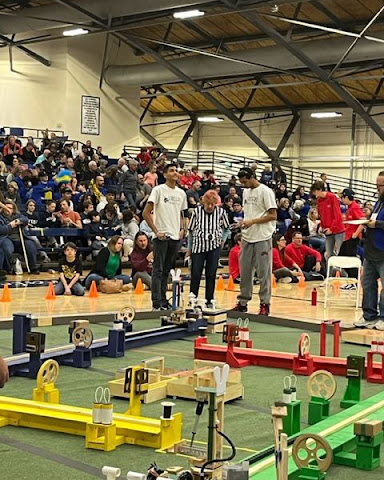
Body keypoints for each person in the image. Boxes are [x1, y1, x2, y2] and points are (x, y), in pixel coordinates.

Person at [143, 163, 187, 310]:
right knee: (158, 270)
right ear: (165, 174)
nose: (175, 173)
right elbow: (146, 212)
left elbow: (183, 214)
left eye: (177, 170)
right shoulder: (158, 190)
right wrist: (156, 231)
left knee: (167, 271)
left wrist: (183, 229)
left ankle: (164, 302)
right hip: (161, 236)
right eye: (172, 170)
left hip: (175, 237)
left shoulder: (181, 193)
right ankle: (156, 302)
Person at [233, 167, 277, 315]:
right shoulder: (245, 192)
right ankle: (243, 301)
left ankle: (265, 303)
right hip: (247, 236)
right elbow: (250, 213)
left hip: (262, 236)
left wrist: (253, 221)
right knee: (245, 271)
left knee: (263, 272)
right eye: (241, 182)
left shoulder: (266, 191)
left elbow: (273, 215)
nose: (243, 185)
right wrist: (244, 222)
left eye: (245, 181)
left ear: (253, 177)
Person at [187, 190, 230, 306]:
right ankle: (193, 299)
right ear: (203, 202)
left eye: (212, 204)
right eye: (208, 204)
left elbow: (227, 229)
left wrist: (222, 239)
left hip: (214, 247)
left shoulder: (221, 212)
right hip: (198, 247)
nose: (210, 206)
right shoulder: (196, 212)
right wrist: (189, 249)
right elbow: (190, 231)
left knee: (211, 274)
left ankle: (210, 300)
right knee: (196, 274)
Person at [354, 171, 384, 330]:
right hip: (371, 252)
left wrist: (377, 224)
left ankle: (383, 318)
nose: (378, 188)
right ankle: (369, 316)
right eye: (377, 185)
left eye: (381, 185)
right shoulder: (378, 202)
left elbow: (379, 222)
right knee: (367, 284)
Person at [0, 200, 39, 274]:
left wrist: (19, 220)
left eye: (10, 208)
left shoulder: (17, 215)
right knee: (7, 248)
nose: (8, 210)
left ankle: (33, 267)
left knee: (30, 245)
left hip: (20, 238)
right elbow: (1, 230)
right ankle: (7, 269)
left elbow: (26, 219)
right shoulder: (1, 217)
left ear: (14, 209)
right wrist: (10, 226)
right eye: (6, 208)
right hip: (7, 238)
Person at [310, 180, 345, 260]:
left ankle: (341, 272)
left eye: (314, 191)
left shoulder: (332, 197)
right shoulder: (319, 200)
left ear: (319, 190)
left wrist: (332, 228)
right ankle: (331, 271)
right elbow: (321, 215)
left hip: (337, 229)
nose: (314, 194)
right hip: (327, 230)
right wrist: (322, 226)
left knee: (340, 253)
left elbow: (337, 215)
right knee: (329, 254)